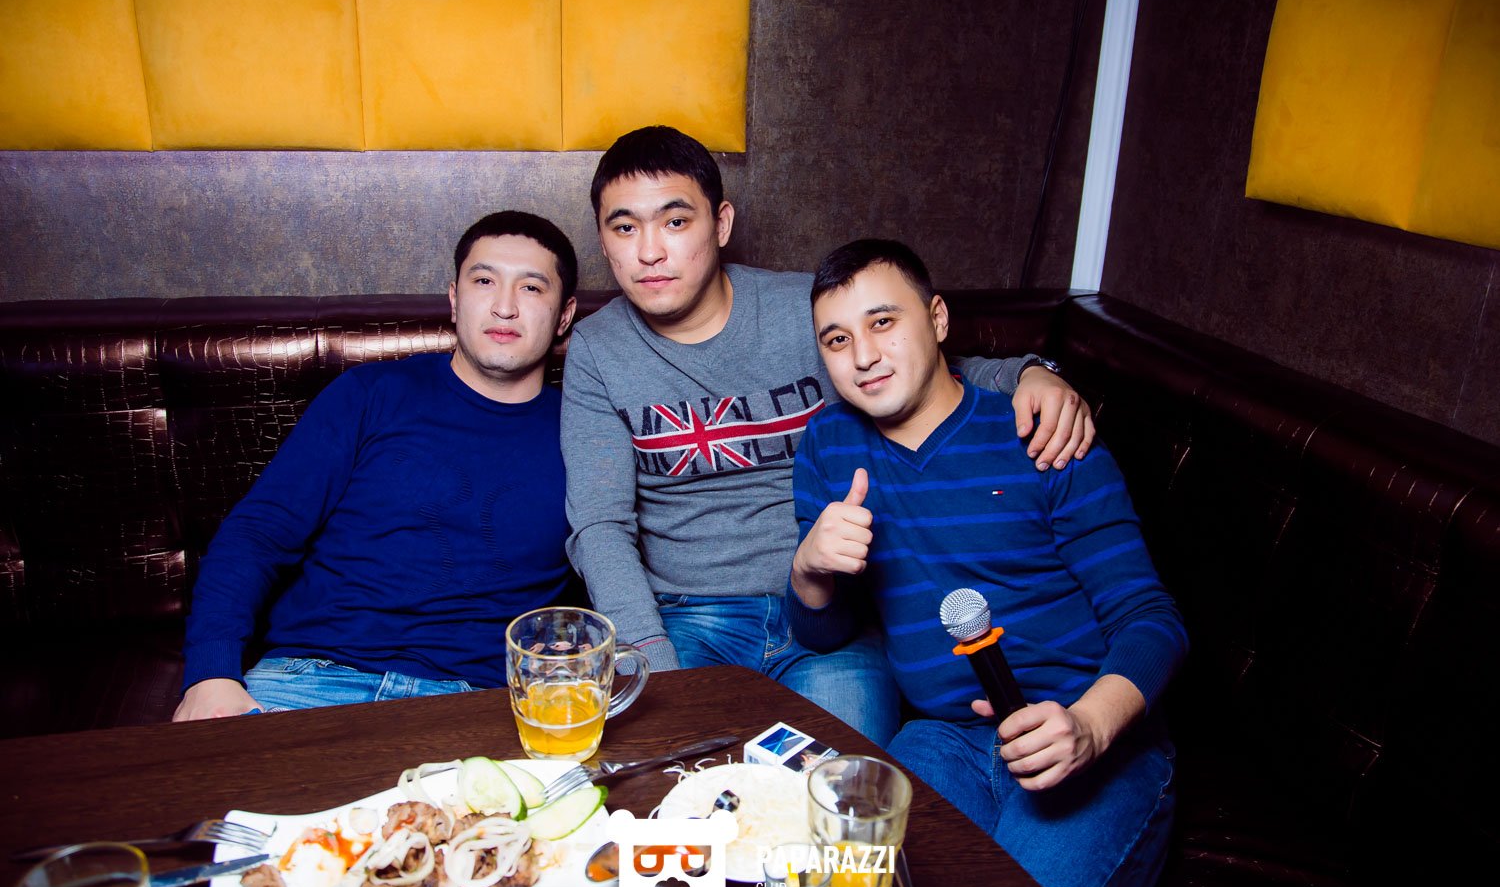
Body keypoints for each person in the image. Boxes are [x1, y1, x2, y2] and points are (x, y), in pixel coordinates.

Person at [561, 126, 1096, 744]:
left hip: (828, 613)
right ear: (603, 238)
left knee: (835, 781)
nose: (650, 251)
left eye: (675, 222)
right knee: (670, 773)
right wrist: (652, 656)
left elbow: (914, 369)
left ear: (721, 223)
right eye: (625, 228)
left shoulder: (802, 308)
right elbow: (600, 526)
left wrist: (1027, 372)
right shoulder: (597, 349)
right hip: (686, 618)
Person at [786, 239, 1187, 887]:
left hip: (1089, 737)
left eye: (884, 322)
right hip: (942, 739)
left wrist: (1091, 727)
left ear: (938, 318)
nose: (864, 356)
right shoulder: (828, 446)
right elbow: (826, 633)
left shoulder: (1040, 430)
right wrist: (809, 571)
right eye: (837, 339)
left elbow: (1152, 619)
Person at [173, 211, 579, 719]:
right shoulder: (370, 394)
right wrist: (210, 675)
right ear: (455, 299)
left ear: (564, 315)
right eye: (484, 281)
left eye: (531, 288)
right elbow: (258, 533)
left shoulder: (584, 430)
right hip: (311, 678)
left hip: (475, 699)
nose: (504, 306)